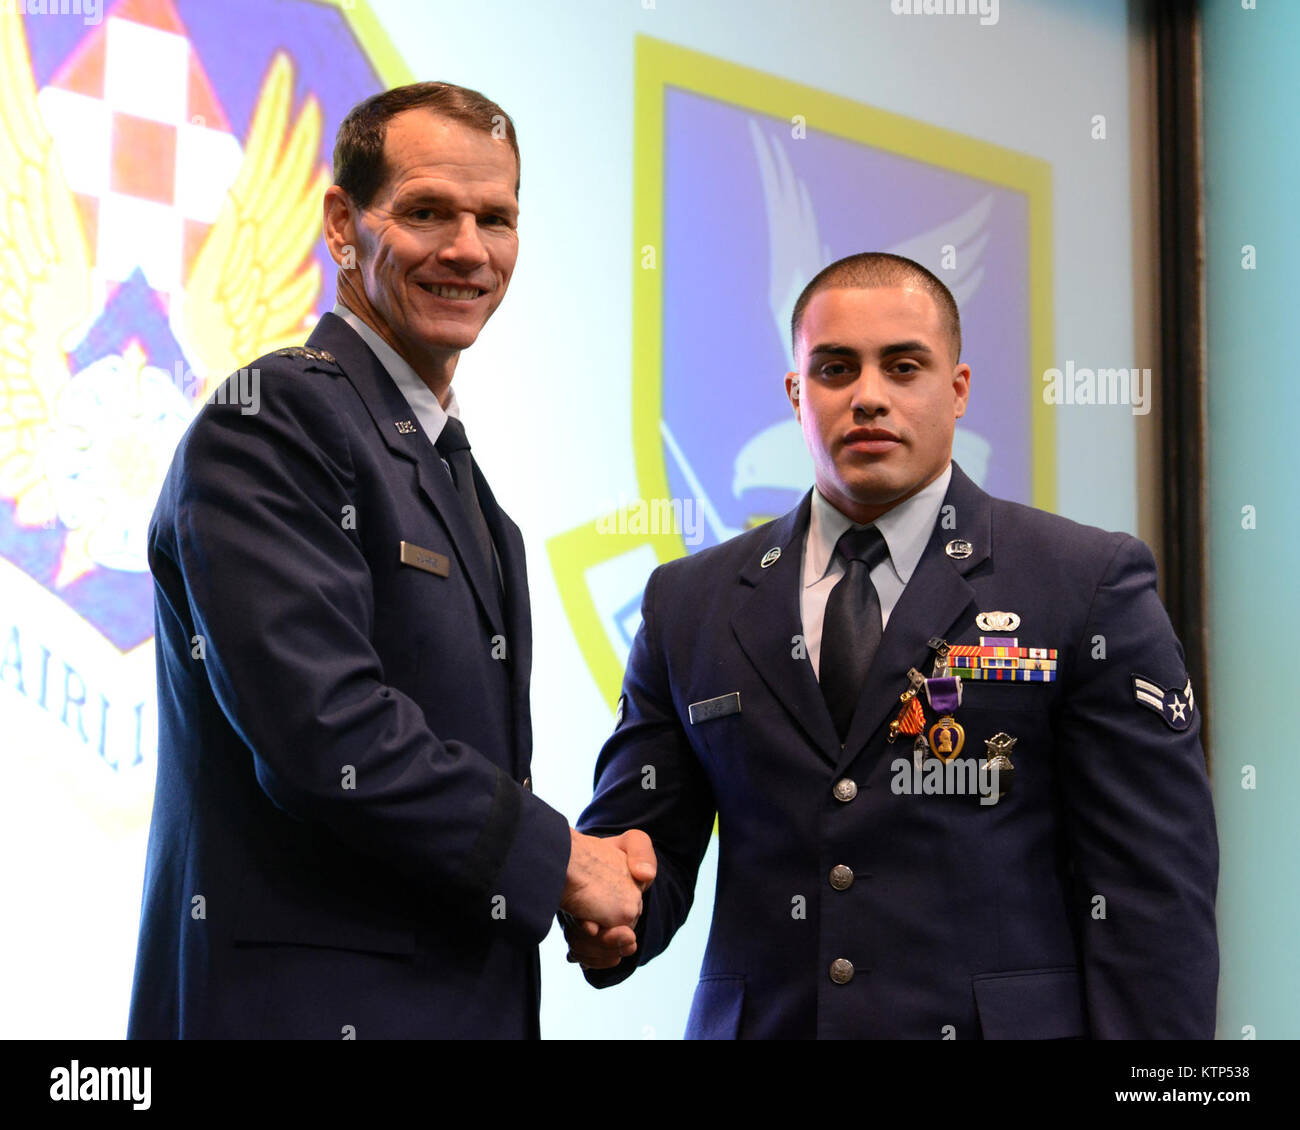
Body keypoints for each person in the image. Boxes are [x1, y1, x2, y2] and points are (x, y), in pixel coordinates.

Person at [567, 252, 1218, 1039]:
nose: (868, 396)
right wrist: (617, 907)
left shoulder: (1084, 582)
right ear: (795, 394)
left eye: (903, 366)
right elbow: (643, 843)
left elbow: (1154, 893)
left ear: (958, 389)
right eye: (836, 368)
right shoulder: (689, 602)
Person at [127, 82, 653, 1039]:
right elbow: (328, 736)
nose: (467, 248)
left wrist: (580, 880)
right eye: (425, 212)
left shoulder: (467, 489)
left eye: (496, 217)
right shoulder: (273, 418)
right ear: (341, 225)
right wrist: (565, 864)